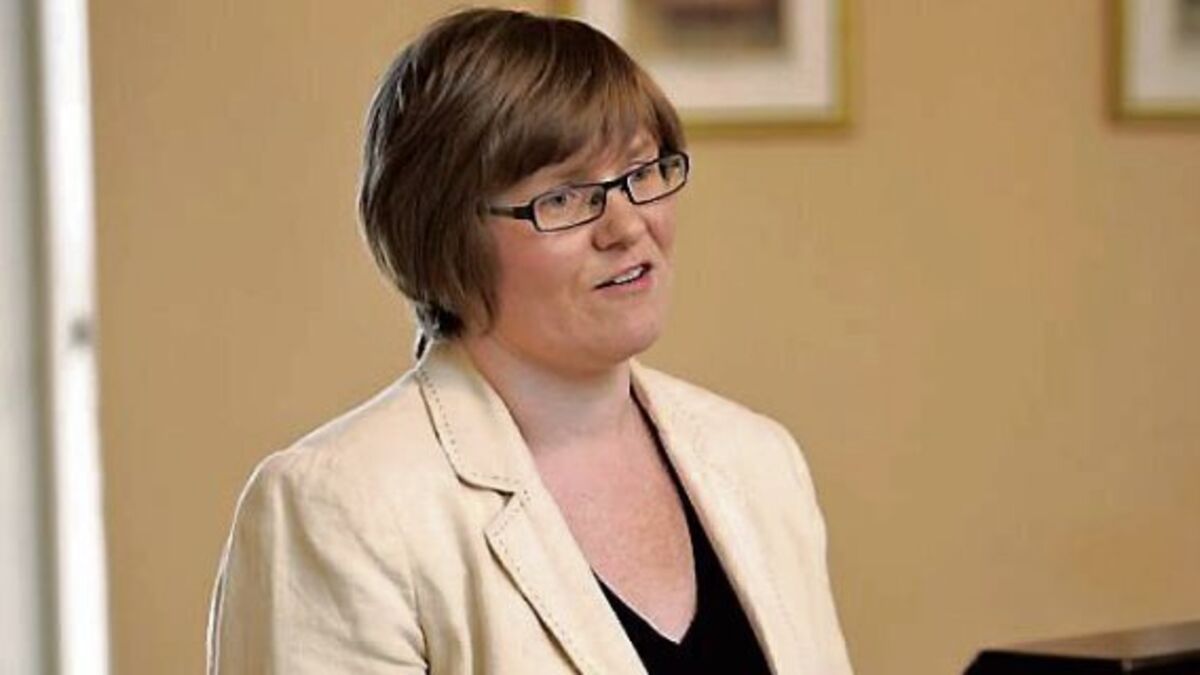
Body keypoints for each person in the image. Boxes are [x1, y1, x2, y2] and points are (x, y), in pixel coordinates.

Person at [207, 8, 852, 675]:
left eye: (641, 172)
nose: (627, 226)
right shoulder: (337, 507)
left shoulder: (759, 460)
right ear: (444, 233)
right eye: (565, 196)